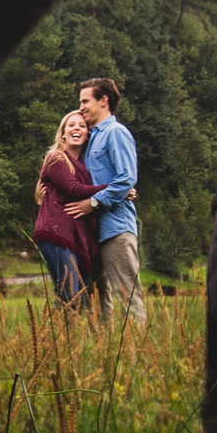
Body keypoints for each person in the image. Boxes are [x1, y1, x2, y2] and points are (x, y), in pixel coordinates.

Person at [78, 77, 146, 326]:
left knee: (128, 298)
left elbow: (127, 176)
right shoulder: (91, 138)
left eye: (85, 101)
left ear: (103, 101)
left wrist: (94, 202)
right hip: (93, 232)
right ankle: (103, 357)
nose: (81, 107)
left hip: (116, 228)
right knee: (99, 301)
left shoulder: (116, 133)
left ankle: (139, 356)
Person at [33, 112, 103, 308]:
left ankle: (67, 338)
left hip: (76, 236)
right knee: (70, 296)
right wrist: (118, 189)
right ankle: (54, 338)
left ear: (87, 134)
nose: (76, 129)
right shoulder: (56, 158)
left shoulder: (86, 166)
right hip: (56, 233)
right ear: (62, 134)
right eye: (71, 125)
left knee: (79, 298)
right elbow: (75, 190)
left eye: (82, 126)